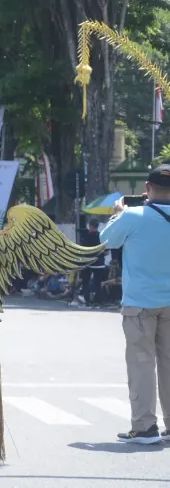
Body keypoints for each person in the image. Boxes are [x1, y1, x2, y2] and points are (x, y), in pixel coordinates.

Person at [101, 164, 170, 444]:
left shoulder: (133, 215)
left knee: (142, 364)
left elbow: (106, 240)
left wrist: (118, 214)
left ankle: (144, 427)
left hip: (140, 303)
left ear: (147, 189)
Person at [77, 219, 106, 306]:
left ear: (91, 226)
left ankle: (87, 300)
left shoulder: (87, 236)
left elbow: (83, 248)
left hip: (88, 262)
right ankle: (99, 301)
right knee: (97, 283)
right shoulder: (101, 236)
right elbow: (106, 251)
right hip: (99, 263)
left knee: (85, 282)